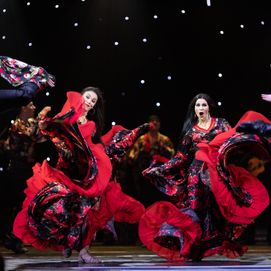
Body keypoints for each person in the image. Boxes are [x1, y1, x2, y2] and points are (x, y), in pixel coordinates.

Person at [13, 86, 149, 263]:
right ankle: (66, 243)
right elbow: (50, 133)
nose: (90, 102)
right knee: (60, 208)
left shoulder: (91, 125)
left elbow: (96, 147)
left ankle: (84, 250)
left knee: (87, 211)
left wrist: (130, 134)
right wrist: (42, 124)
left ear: (94, 107)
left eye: (93, 101)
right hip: (65, 171)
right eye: (88, 97)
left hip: (85, 175)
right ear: (81, 96)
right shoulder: (68, 115)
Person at [139, 93, 271, 262]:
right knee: (195, 209)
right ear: (193, 110)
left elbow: (233, 139)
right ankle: (192, 248)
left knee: (217, 212)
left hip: (216, 173)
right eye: (197, 105)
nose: (200, 108)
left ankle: (209, 245)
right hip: (195, 175)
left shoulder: (221, 124)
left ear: (209, 107)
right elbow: (180, 158)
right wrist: (160, 169)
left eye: (203, 105)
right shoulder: (190, 131)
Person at [0, 102, 49, 254]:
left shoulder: (29, 123)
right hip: (14, 169)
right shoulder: (17, 124)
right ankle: (9, 237)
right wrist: (42, 114)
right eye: (30, 105)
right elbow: (32, 133)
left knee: (21, 205)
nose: (34, 107)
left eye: (35, 105)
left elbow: (41, 137)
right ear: (22, 108)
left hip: (24, 170)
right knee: (11, 205)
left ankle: (12, 238)